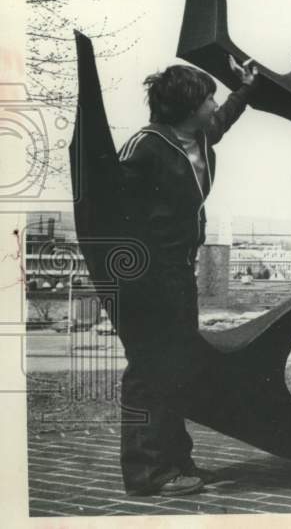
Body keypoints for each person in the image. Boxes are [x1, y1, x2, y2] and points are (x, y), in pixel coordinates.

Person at [117, 55, 257, 496]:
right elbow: (112, 212)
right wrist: (135, 276)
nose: (215, 103)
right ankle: (147, 472)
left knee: (174, 366)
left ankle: (176, 462)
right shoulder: (145, 147)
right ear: (186, 104)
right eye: (208, 97)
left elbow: (226, 118)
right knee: (148, 371)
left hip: (179, 272)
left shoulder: (196, 138)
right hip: (148, 275)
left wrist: (246, 88)